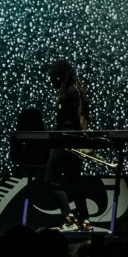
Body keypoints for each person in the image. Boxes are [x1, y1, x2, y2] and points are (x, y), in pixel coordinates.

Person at [43, 59, 93, 232]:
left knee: (50, 177)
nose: (51, 81)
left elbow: (81, 116)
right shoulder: (72, 90)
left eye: (53, 77)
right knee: (73, 180)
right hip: (71, 139)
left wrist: (84, 141)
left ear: (60, 76)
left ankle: (70, 218)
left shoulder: (70, 92)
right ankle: (85, 221)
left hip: (67, 139)